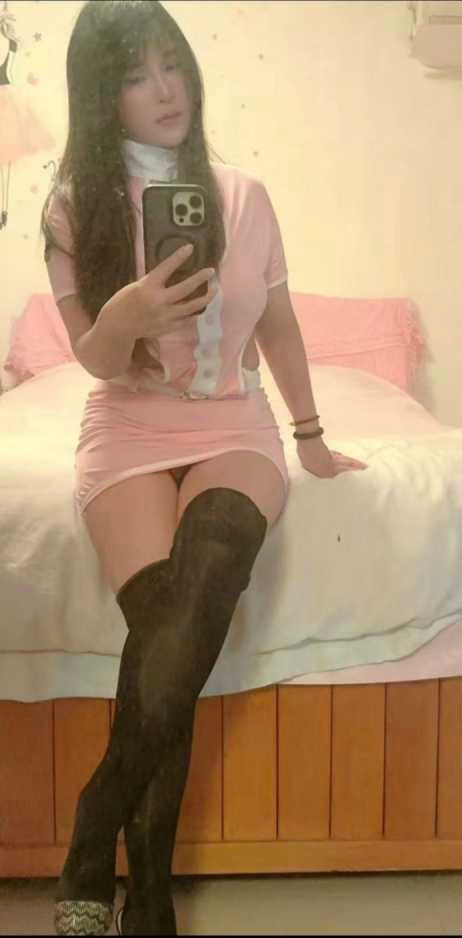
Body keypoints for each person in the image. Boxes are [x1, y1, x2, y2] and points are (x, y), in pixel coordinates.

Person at [40, 2, 368, 934]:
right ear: (100, 96)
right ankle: (147, 896)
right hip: (128, 426)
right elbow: (94, 360)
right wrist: (125, 318)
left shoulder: (243, 195)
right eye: (135, 75)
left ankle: (94, 824)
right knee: (166, 640)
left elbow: (280, 326)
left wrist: (310, 433)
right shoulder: (72, 207)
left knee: (200, 593)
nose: (165, 89)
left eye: (173, 64)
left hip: (233, 422)